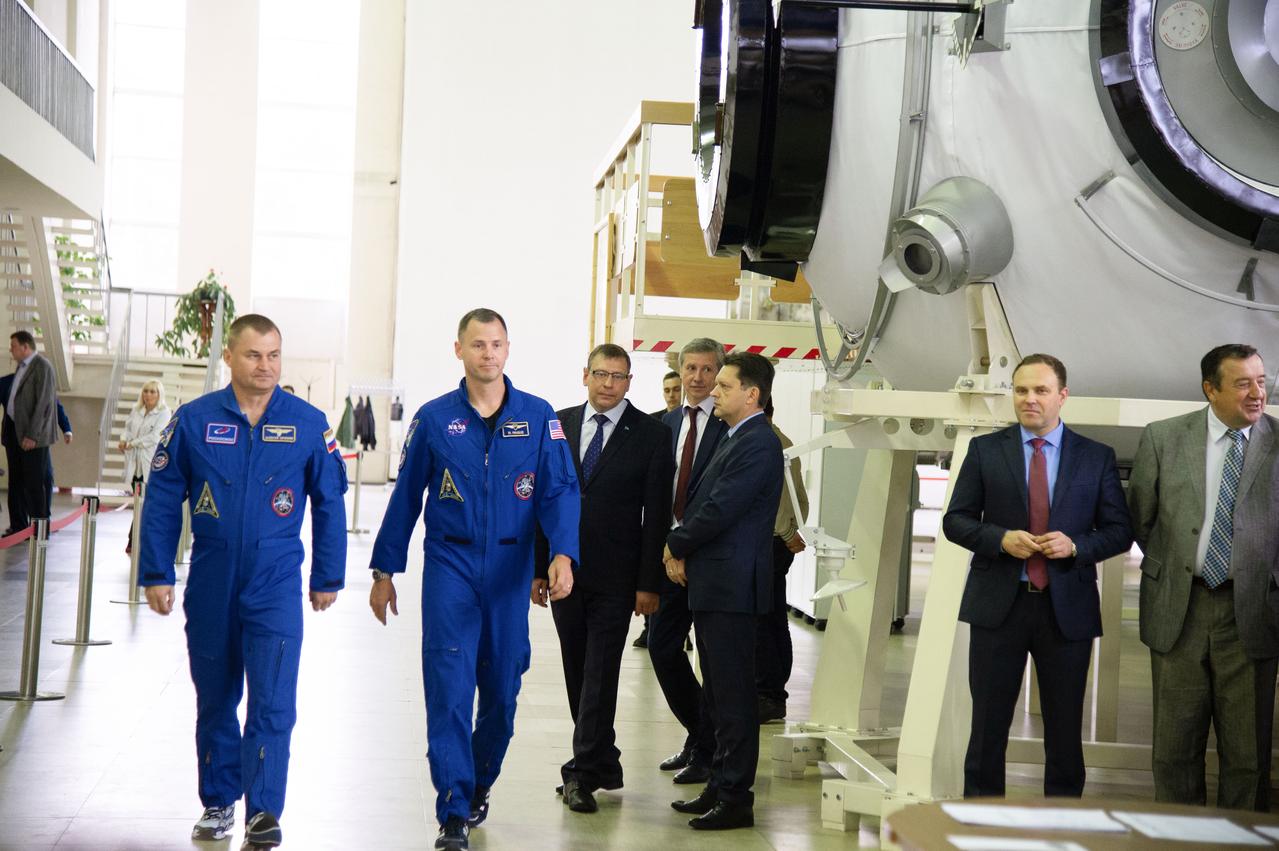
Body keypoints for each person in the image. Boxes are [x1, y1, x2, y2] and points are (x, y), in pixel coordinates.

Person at [368, 308, 579, 851]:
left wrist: (562, 554)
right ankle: (453, 807)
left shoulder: (538, 417)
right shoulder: (435, 419)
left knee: (503, 694)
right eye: (478, 344)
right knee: (450, 689)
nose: (489, 354)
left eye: (497, 344)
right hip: (451, 567)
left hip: (510, 571)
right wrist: (385, 570)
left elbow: (559, 491)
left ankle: (479, 780)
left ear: (508, 349)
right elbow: (405, 497)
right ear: (458, 349)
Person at [139, 314, 348, 851]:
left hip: (275, 580)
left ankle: (264, 810)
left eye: (274, 355)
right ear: (229, 357)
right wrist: (156, 571)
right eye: (254, 355)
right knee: (215, 698)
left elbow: (329, 502)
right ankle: (218, 802)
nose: (266, 366)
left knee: (273, 700)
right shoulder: (194, 420)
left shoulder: (307, 423)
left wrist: (328, 574)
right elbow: (162, 497)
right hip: (211, 578)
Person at [942, 353, 1132, 799]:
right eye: (1021, 390)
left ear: (1062, 396)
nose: (1030, 399)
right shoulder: (986, 451)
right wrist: (1000, 539)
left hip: (1066, 610)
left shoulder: (1096, 457)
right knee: (987, 727)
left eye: (1041, 390)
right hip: (998, 607)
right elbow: (956, 521)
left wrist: (1077, 546)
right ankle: (980, 820)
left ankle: (1060, 821)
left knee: (1064, 729)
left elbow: (1120, 531)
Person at [1128, 343, 1279, 811]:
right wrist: (1179, 565)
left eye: (1262, 381)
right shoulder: (1163, 438)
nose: (1257, 393)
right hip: (1180, 607)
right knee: (1174, 749)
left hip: (1252, 612)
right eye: (1243, 383)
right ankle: (1179, 837)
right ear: (1210, 389)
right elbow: (1142, 519)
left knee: (1248, 754)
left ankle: (1239, 839)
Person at [533, 343, 673, 814]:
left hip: (618, 576)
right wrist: (538, 567)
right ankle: (601, 759)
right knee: (577, 669)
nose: (608, 384)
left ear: (630, 382)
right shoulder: (559, 423)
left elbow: (656, 515)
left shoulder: (651, 435)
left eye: (618, 376)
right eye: (601, 374)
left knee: (600, 672)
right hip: (564, 572)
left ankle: (580, 773)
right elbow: (544, 499)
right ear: (585, 375)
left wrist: (648, 583)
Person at [664, 351, 784, 830]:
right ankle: (718, 784)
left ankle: (736, 799)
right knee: (717, 695)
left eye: (725, 386)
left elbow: (720, 508)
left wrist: (675, 543)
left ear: (752, 395)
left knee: (734, 699)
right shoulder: (736, 436)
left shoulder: (759, 443)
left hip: (732, 587)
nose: (713, 390)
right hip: (715, 584)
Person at [651, 338, 728, 785]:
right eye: (690, 368)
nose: (697, 377)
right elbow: (657, 493)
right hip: (668, 557)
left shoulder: (728, 424)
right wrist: (668, 548)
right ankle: (701, 735)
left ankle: (709, 751)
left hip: (709, 557)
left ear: (719, 373)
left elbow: (716, 498)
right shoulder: (665, 423)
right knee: (663, 649)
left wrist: (683, 546)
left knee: (714, 664)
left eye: (706, 369)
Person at [757, 397, 808, 724]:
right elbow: (800, 499)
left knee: (764, 619)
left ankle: (769, 694)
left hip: (771, 541)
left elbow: (774, 499)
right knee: (773, 616)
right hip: (777, 541)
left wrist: (787, 532)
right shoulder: (781, 440)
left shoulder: (768, 442)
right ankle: (771, 692)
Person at [0, 367, 70, 534]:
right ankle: (18, 525)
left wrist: (66, 428)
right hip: (14, 440)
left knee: (45, 477)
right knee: (17, 482)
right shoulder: (6, 383)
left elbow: (55, 406)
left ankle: (42, 520)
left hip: (39, 441)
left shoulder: (42, 384)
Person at [3, 331, 58, 532]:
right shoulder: (21, 367)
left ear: (25, 347)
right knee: (16, 483)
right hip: (15, 435)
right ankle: (19, 527)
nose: (11, 350)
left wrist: (32, 435)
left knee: (34, 485)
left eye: (14, 346)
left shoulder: (42, 366)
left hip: (33, 438)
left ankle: (39, 531)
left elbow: (44, 404)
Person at [119, 380, 171, 554]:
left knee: (147, 505)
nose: (148, 394)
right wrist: (124, 440)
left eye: (152, 391)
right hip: (136, 466)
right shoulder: (137, 410)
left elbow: (155, 436)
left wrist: (133, 443)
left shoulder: (164, 413)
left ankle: (135, 540)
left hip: (151, 465)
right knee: (139, 504)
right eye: (146, 391)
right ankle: (135, 540)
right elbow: (127, 428)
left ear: (159, 394)